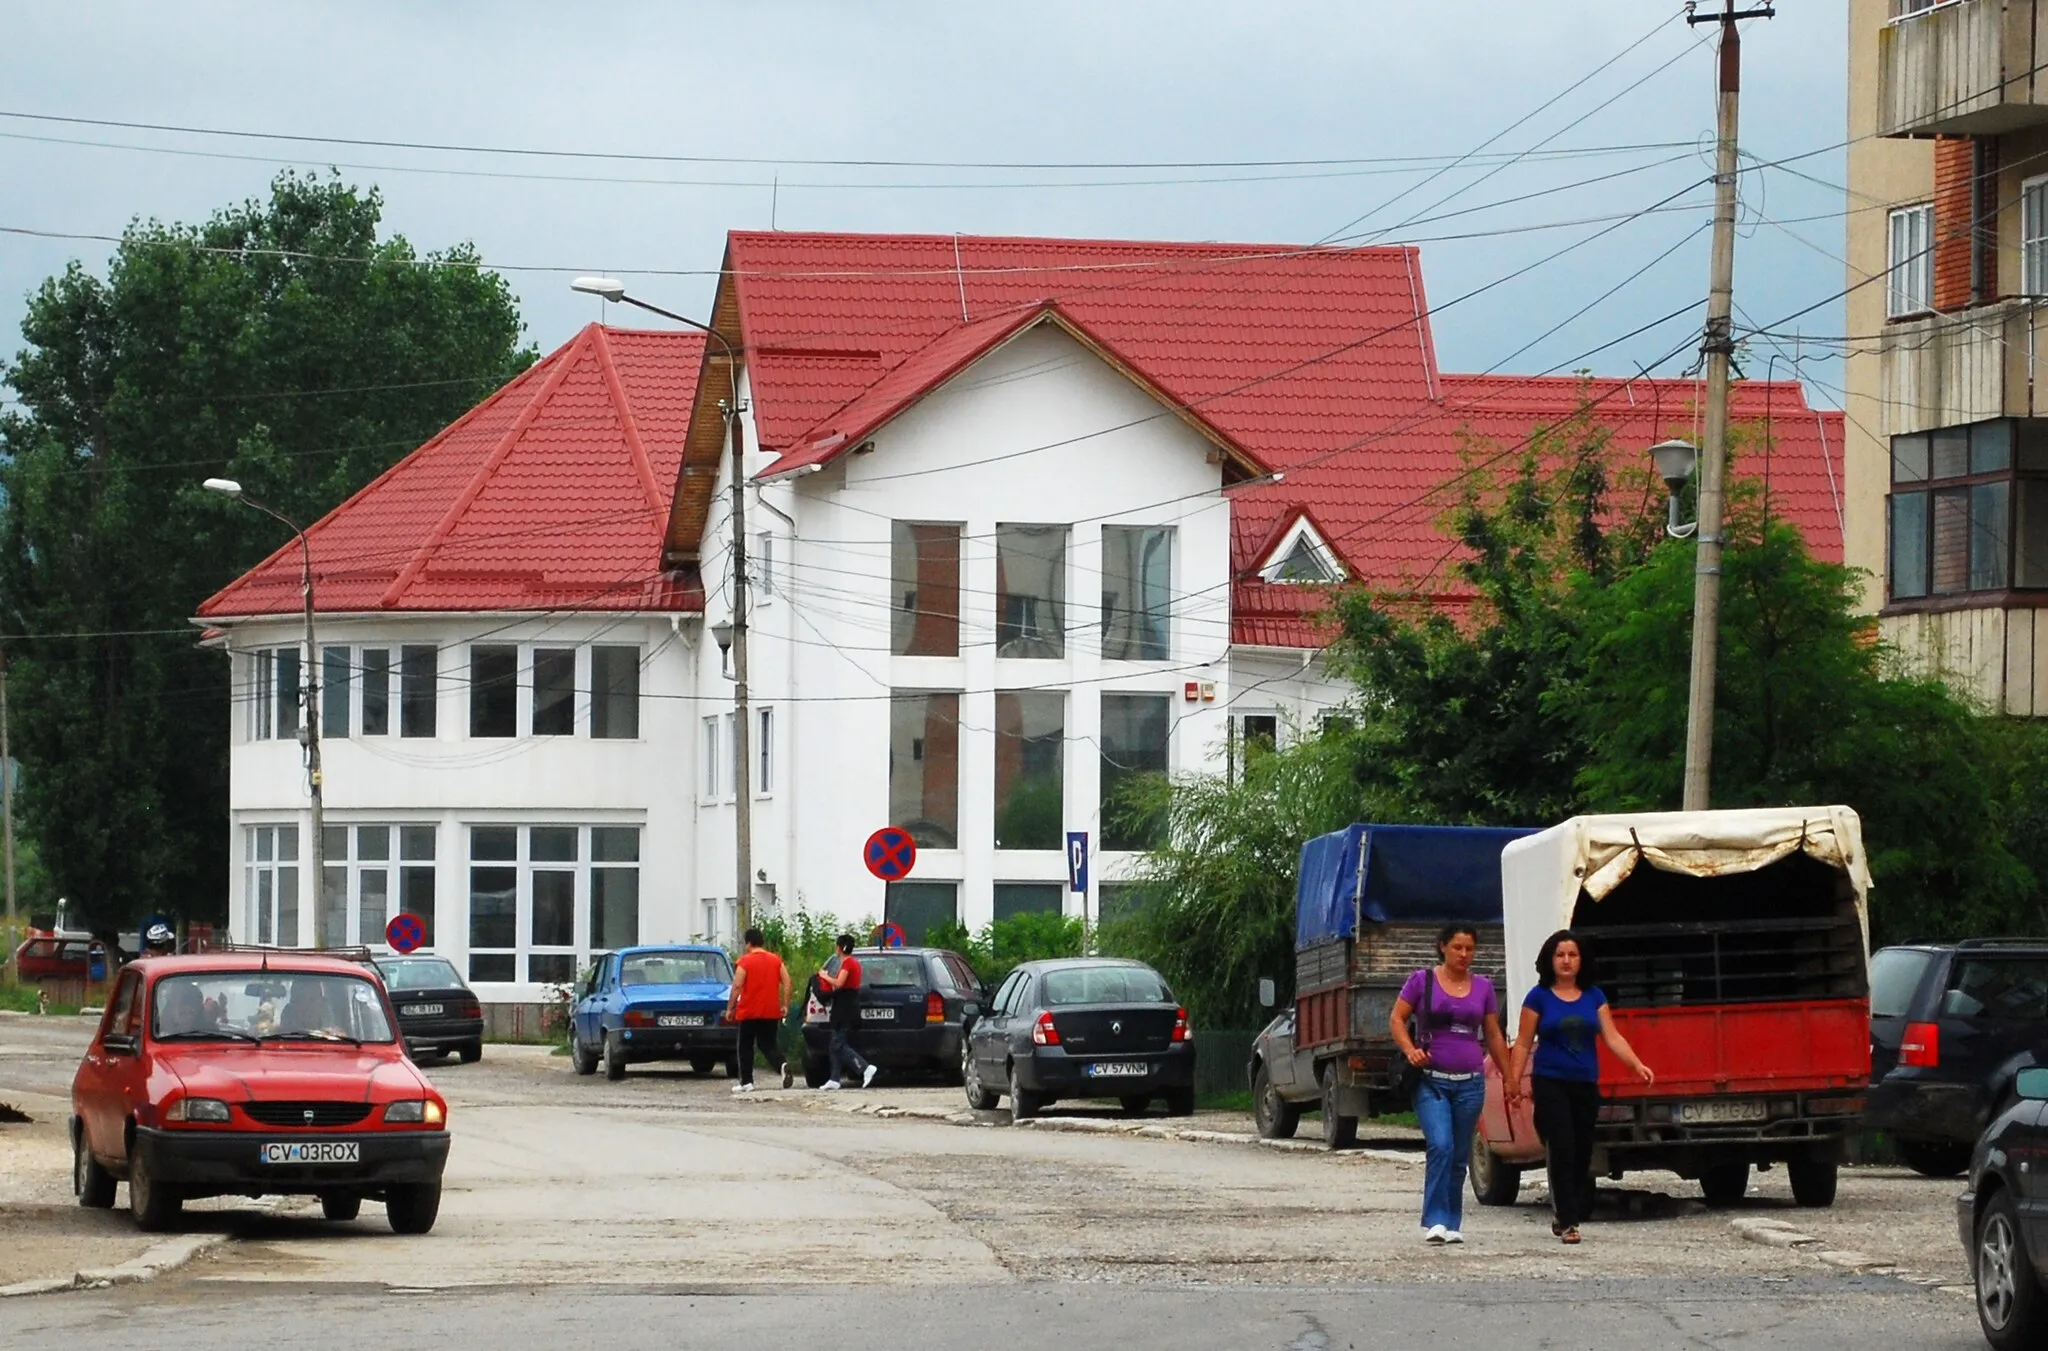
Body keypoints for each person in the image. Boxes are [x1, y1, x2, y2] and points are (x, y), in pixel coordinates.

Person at [1510, 928, 1655, 1245]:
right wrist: (1513, 1080)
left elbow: (1612, 1036)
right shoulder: (1538, 997)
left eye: (1572, 955)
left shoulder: (1594, 996)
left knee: (1581, 1151)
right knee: (1561, 1145)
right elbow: (1522, 1044)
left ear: (1581, 960)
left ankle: (1565, 1208)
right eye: (1560, 955)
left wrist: (1635, 1064)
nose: (1566, 961)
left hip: (1585, 1082)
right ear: (1550, 960)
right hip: (1549, 1081)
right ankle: (1569, 1219)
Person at [1389, 923, 1516, 1245]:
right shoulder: (1422, 981)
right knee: (1441, 1145)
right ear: (1443, 947)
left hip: (1470, 1082)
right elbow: (1396, 1019)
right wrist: (1410, 1050)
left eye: (1469, 949)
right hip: (1432, 1081)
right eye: (1457, 947)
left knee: (1459, 1154)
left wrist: (1510, 1076)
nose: (1463, 954)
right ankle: (1434, 1219)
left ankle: (1452, 1221)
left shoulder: (1483, 987)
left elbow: (1493, 1035)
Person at [725, 928, 794, 1093]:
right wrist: (785, 1004)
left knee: (745, 1046)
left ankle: (746, 1082)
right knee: (768, 1043)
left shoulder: (745, 961)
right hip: (770, 1010)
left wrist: (730, 1008)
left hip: (749, 1011)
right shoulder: (776, 960)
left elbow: (737, 986)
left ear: (748, 943)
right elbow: (787, 982)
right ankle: (781, 1065)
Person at [814, 933, 877, 1090]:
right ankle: (834, 1079)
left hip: (845, 1008)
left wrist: (824, 976)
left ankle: (865, 1067)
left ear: (840, 947)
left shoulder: (848, 963)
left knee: (838, 1044)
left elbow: (839, 983)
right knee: (834, 1043)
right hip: (844, 1005)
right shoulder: (852, 963)